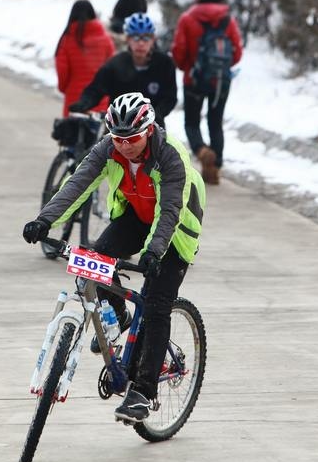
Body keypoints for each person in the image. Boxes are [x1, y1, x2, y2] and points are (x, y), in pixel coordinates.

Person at [22, 92, 206, 423]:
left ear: (148, 130)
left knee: (155, 305)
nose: (124, 145)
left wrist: (154, 251)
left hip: (175, 229)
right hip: (136, 215)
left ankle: (143, 393)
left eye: (132, 138)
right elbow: (77, 184)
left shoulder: (170, 156)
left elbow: (170, 212)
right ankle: (120, 316)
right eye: (118, 138)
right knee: (96, 260)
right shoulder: (108, 148)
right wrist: (45, 219)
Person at [171, 0, 244, 185]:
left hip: (194, 80)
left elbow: (179, 52)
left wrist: (188, 68)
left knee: (192, 122)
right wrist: (221, 69)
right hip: (221, 81)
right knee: (215, 122)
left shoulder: (188, 19)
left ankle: (202, 151)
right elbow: (237, 52)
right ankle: (215, 167)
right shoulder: (227, 19)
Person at [69, 13, 178, 128]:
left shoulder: (165, 64)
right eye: (135, 37)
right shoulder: (115, 64)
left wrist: (156, 115)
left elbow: (170, 97)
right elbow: (95, 90)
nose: (141, 43)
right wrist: (84, 103)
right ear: (127, 39)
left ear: (153, 40)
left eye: (146, 38)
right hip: (118, 127)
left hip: (153, 126)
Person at [55, 0, 116, 117]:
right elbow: (112, 69)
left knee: (73, 134)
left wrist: (65, 89)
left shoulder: (67, 40)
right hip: (101, 101)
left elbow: (62, 71)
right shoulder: (105, 39)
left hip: (75, 100)